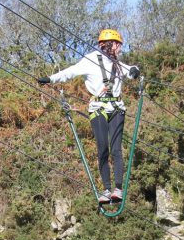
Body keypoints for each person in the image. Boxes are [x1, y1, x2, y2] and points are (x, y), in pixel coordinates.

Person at [38, 29, 141, 204]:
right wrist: (50, 79)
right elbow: (70, 72)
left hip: (116, 107)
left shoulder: (117, 64)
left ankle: (117, 189)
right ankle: (107, 190)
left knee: (116, 149)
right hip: (98, 107)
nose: (119, 49)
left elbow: (130, 70)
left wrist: (135, 71)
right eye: (118, 45)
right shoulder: (90, 60)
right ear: (111, 44)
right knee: (103, 148)